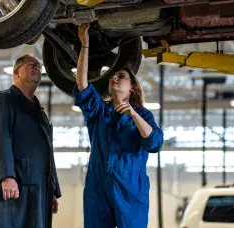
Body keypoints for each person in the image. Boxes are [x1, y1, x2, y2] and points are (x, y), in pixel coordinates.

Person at [74, 24, 164, 228]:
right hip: (98, 185)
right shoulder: (99, 111)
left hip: (130, 187)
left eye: (121, 76)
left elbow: (155, 143)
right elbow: (82, 85)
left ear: (132, 87)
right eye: (112, 76)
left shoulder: (142, 114)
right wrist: (85, 45)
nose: (114, 77)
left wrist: (133, 114)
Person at [0, 54, 62, 228]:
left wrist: (53, 189)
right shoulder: (4, 99)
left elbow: (47, 150)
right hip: (15, 186)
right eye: (30, 65)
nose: (36, 68)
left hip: (39, 189)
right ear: (15, 73)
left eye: (38, 66)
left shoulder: (40, 113)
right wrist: (7, 176)